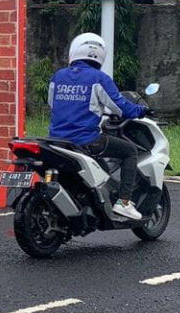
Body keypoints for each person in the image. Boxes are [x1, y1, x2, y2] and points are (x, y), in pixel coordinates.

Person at [47, 32, 150, 220]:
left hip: (56, 140)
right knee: (130, 152)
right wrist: (141, 110)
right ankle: (124, 202)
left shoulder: (57, 76)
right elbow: (121, 107)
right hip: (86, 140)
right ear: (99, 54)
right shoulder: (98, 78)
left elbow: (53, 105)